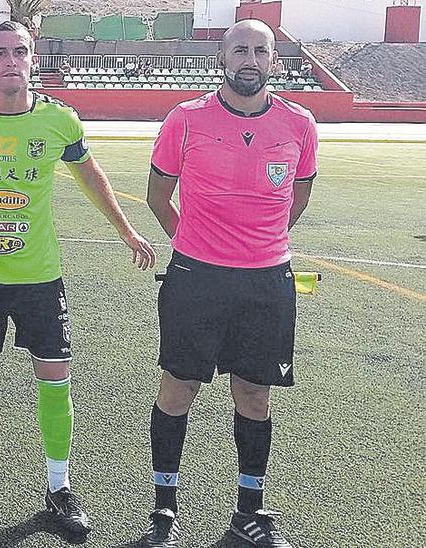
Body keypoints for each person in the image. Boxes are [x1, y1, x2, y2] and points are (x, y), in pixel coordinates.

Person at [0, 21, 155, 537]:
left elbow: (92, 176)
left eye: (19, 51)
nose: (10, 61)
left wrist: (128, 232)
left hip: (40, 276)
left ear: (33, 59)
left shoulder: (59, 122)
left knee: (55, 377)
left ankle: (59, 489)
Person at [139, 19, 317, 548]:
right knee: (179, 388)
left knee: (255, 393)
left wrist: (261, 244)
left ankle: (249, 512)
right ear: (222, 58)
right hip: (196, 279)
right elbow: (156, 195)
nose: (250, 60)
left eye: (260, 51)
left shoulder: (299, 123)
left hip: (267, 282)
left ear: (274, 62)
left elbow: (299, 194)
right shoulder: (186, 119)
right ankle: (165, 510)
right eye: (239, 49)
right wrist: (195, 242)